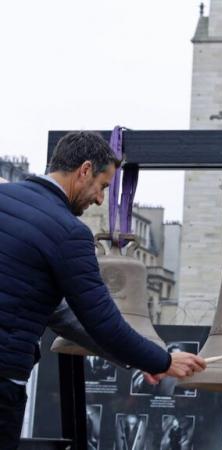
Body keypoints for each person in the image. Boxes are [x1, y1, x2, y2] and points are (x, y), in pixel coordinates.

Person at [0, 131, 206, 447]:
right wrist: (163, 362)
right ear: (84, 170)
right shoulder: (69, 233)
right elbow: (102, 322)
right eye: (103, 186)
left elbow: (61, 315)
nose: (100, 199)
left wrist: (144, 359)